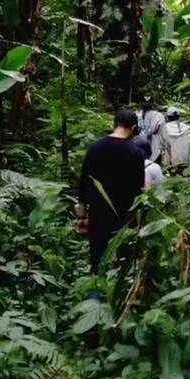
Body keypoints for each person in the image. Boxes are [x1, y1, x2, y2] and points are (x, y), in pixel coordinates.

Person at [76, 108, 145, 274]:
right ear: (134, 129)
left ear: (114, 125)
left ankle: (96, 293)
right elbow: (138, 191)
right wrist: (139, 221)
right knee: (122, 259)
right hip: (124, 216)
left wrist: (82, 215)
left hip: (98, 214)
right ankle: (117, 294)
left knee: (98, 258)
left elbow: (84, 184)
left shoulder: (94, 148)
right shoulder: (135, 152)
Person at [163, 107, 190, 173]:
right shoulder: (186, 128)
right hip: (185, 162)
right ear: (179, 116)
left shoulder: (164, 129)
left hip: (169, 163)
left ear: (168, 117)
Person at [134, 99, 167, 163]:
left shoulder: (138, 114)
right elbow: (164, 134)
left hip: (141, 147)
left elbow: (137, 130)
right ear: (153, 104)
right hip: (155, 148)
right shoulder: (159, 116)